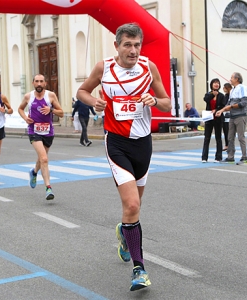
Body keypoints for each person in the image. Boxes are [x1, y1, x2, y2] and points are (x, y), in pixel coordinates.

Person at [76, 23, 172, 292]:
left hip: (143, 144)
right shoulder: (103, 68)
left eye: (137, 44)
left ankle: (124, 232)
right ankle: (139, 269)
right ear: (116, 46)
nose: (133, 50)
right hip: (116, 143)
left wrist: (154, 100)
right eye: (127, 44)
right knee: (131, 205)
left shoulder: (148, 67)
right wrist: (92, 101)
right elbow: (81, 91)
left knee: (135, 207)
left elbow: (167, 102)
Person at [18, 74, 64, 200]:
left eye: (41, 81)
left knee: (41, 158)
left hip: (48, 132)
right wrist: (25, 118)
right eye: (36, 81)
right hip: (34, 131)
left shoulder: (51, 96)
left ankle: (33, 172)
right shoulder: (29, 96)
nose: (39, 84)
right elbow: (20, 109)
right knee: (44, 158)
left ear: (45, 83)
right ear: (33, 83)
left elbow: (61, 113)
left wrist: (51, 110)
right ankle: (48, 188)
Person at [216, 72, 247, 164]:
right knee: (230, 137)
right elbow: (228, 104)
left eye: (231, 78)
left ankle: (244, 157)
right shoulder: (233, 90)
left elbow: (243, 103)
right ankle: (230, 157)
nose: (230, 79)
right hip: (232, 117)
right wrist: (221, 111)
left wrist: (230, 107)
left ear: (237, 79)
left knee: (241, 137)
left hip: (240, 116)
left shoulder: (242, 88)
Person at [202, 78, 226, 162]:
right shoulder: (208, 94)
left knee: (218, 138)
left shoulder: (221, 95)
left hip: (218, 118)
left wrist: (216, 110)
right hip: (209, 118)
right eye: (215, 83)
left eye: (218, 83)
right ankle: (204, 157)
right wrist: (213, 94)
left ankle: (218, 157)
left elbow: (223, 105)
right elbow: (205, 99)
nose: (216, 84)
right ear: (211, 84)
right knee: (207, 138)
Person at [221, 83, 232, 151]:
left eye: (224, 88)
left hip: (230, 114)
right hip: (225, 115)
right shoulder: (225, 96)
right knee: (225, 130)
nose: (223, 89)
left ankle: (230, 145)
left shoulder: (231, 95)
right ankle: (227, 144)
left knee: (230, 131)